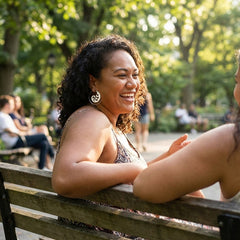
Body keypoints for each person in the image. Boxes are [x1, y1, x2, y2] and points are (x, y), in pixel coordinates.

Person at [51, 35, 203, 200]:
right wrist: (134, 170)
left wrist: (168, 156)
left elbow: (120, 175)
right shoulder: (93, 119)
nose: (133, 84)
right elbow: (64, 178)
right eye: (122, 75)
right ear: (93, 82)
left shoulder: (105, 122)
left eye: (135, 75)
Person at [133, 49, 240, 204]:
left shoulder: (231, 140)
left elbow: (143, 185)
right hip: (143, 116)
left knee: (141, 131)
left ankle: (140, 144)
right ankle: (141, 143)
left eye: (237, 81)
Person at [0, 95, 54, 170]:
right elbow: (12, 133)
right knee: (42, 136)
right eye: (12, 104)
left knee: (44, 144)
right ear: (7, 105)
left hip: (18, 140)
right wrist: (25, 134)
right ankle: (53, 156)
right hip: (15, 142)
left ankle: (42, 167)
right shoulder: (2, 116)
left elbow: (13, 132)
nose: (13, 106)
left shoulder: (6, 116)